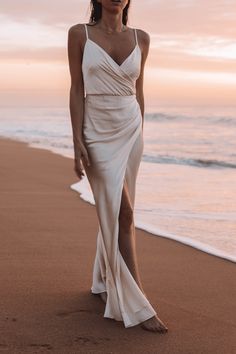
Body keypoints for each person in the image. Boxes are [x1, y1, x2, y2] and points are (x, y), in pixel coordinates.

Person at [67, 0, 168, 333]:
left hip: (130, 129)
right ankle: (138, 303)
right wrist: (77, 140)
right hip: (97, 130)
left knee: (119, 209)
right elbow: (77, 89)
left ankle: (102, 280)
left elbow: (138, 92)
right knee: (122, 213)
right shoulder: (79, 34)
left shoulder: (143, 38)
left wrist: (141, 132)